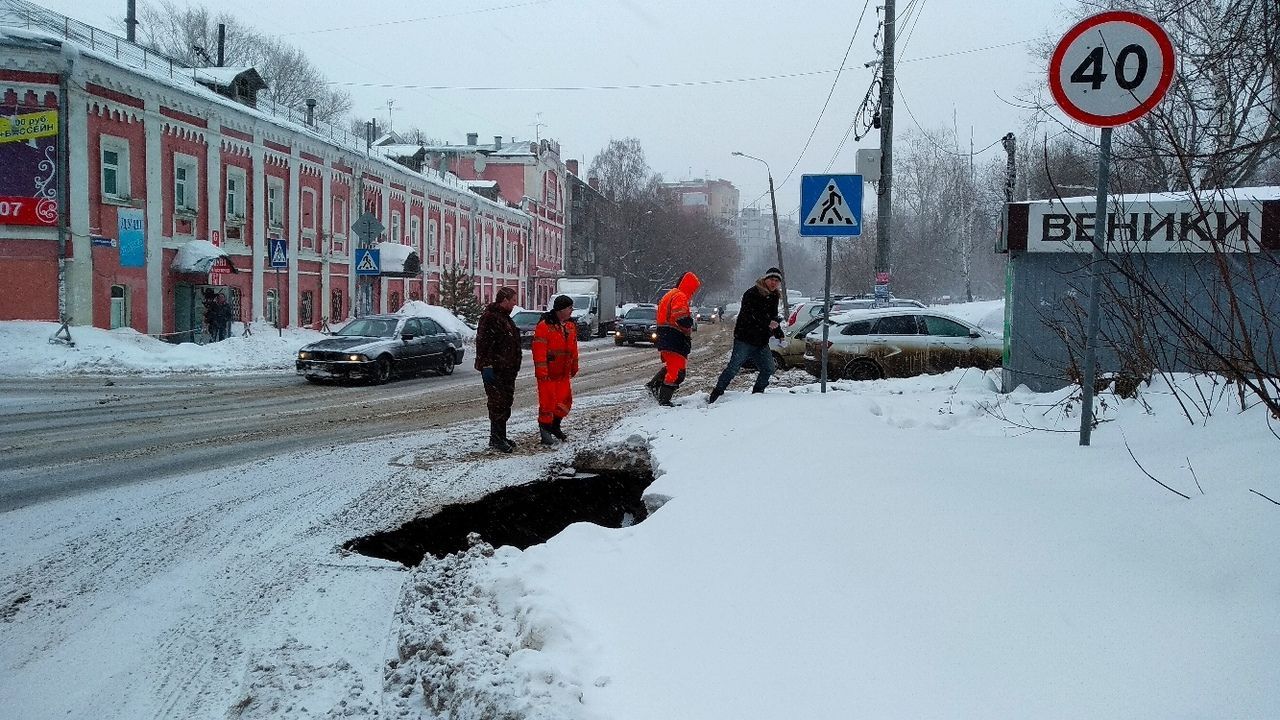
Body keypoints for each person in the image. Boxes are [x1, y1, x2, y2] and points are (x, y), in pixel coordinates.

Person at [708, 267, 785, 403]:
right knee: (733, 368)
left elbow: (773, 317)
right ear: (765, 279)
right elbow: (750, 315)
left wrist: (778, 332)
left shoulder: (774, 296)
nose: (774, 283)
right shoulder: (752, 293)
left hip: (761, 341)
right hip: (745, 338)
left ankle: (757, 394)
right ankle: (717, 393)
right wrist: (768, 322)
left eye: (777, 281)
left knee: (768, 368)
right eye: (772, 280)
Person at [474, 287, 522, 453]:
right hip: (495, 370)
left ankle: (501, 435)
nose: (516, 304)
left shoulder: (505, 318)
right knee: (497, 404)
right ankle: (496, 438)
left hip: (507, 371)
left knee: (506, 403)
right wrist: (487, 367)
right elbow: (483, 344)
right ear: (505, 300)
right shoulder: (491, 318)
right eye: (514, 300)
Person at [645, 271, 701, 406]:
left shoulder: (670, 294)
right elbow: (681, 317)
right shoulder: (680, 296)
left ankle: (655, 385)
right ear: (689, 286)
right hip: (674, 338)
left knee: (672, 367)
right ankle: (664, 399)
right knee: (677, 372)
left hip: (666, 337)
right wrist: (689, 322)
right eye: (693, 289)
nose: (693, 293)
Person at [531, 295, 579, 446]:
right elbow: (539, 351)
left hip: (563, 374)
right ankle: (545, 430)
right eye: (569, 308)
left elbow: (573, 348)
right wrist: (542, 372)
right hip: (549, 375)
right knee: (547, 404)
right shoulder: (544, 326)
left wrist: (574, 365)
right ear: (561, 309)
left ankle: (555, 426)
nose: (572, 311)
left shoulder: (570, 326)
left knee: (565, 402)